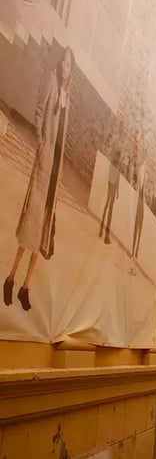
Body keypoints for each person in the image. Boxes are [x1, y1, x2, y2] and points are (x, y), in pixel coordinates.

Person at [4, 46, 74, 311]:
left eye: (70, 66)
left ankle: (26, 286)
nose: (66, 69)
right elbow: (39, 110)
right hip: (45, 159)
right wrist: (41, 140)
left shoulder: (68, 95)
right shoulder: (53, 84)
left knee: (43, 228)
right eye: (64, 64)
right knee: (32, 222)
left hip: (55, 167)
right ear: (60, 66)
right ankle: (10, 278)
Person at [99, 122, 124, 244]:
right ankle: (105, 234)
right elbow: (115, 160)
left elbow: (117, 163)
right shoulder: (117, 144)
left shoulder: (118, 143)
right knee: (109, 206)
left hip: (113, 176)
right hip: (112, 176)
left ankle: (102, 231)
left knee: (108, 204)